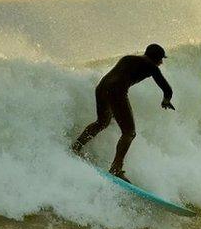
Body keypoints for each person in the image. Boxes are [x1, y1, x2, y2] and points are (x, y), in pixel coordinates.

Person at [71, 43, 175, 182]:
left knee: (102, 122)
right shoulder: (151, 66)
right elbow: (167, 89)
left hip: (102, 88)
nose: (161, 62)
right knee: (129, 132)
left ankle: (76, 147)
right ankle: (116, 168)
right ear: (155, 57)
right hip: (117, 91)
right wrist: (166, 100)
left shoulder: (128, 58)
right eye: (161, 59)